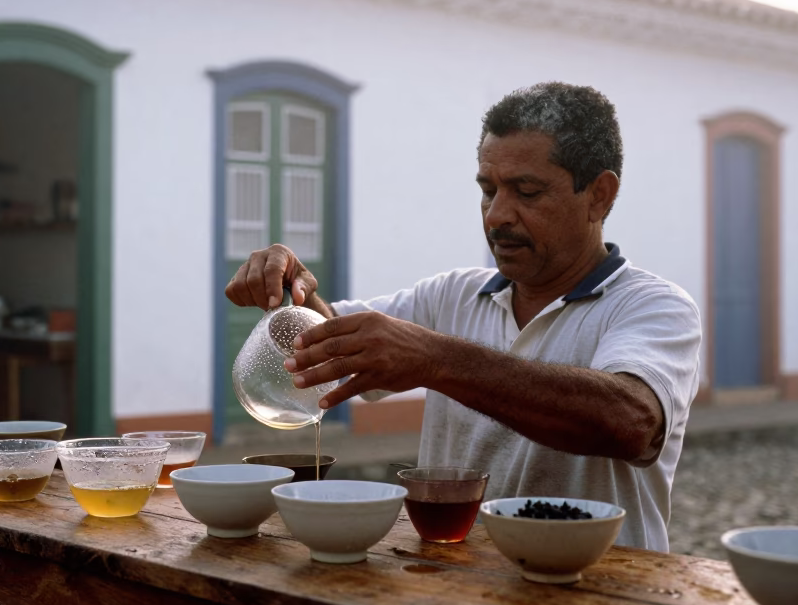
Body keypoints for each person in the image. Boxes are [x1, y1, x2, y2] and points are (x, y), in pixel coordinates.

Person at [226, 81, 701, 552]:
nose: (496, 216)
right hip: (456, 586)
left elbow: (630, 422)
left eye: (527, 192)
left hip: (602, 591)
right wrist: (294, 286)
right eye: (488, 189)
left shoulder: (652, 306)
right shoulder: (452, 295)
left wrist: (435, 360)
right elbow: (331, 342)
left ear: (599, 195)